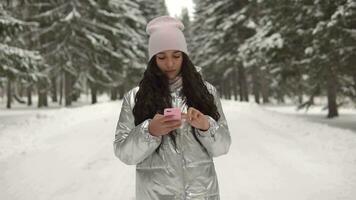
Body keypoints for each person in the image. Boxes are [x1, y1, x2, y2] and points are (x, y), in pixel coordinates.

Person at [113, 15, 231, 200]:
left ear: (184, 56)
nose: (169, 63)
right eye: (161, 57)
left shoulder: (206, 92)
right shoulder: (135, 97)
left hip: (202, 195)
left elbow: (223, 147)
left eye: (176, 56)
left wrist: (206, 126)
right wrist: (149, 131)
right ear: (153, 59)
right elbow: (124, 153)